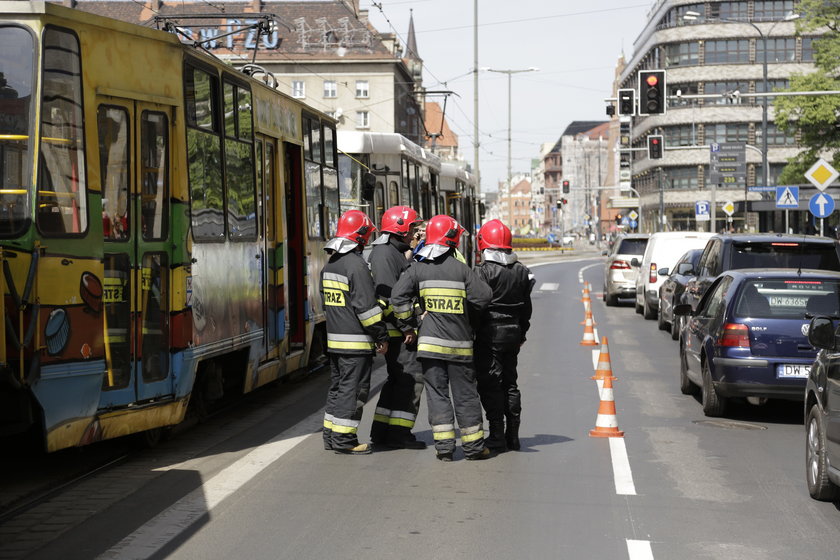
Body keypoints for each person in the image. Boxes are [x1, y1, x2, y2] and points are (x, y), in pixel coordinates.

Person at [390, 215, 494, 461]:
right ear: (452, 239)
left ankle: (445, 448)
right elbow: (484, 296)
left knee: (437, 395)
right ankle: (474, 448)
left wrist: (411, 322)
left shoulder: (418, 267)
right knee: (465, 395)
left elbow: (397, 298)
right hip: (459, 345)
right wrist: (467, 314)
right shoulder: (461, 269)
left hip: (428, 345)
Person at [320, 209, 389, 455]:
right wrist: (381, 336)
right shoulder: (357, 266)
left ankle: (330, 436)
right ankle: (344, 440)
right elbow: (366, 309)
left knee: (338, 388)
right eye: (367, 236)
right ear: (359, 236)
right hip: (356, 343)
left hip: (335, 341)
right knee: (353, 390)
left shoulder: (330, 266)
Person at [368, 205, 427, 449]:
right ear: (400, 229)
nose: (416, 233)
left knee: (396, 381)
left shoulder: (392, 252)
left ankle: (383, 431)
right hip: (398, 333)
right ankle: (400, 433)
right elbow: (390, 298)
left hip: (397, 330)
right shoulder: (385, 255)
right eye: (413, 228)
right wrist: (407, 327)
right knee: (410, 380)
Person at [473, 220, 533, 451]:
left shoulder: (482, 271)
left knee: (490, 385)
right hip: (513, 333)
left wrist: (474, 332)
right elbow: (526, 308)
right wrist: (522, 333)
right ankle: (513, 435)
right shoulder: (522, 271)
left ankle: (496, 434)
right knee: (510, 384)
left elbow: (476, 305)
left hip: (489, 335)